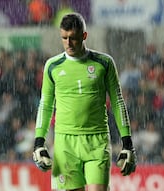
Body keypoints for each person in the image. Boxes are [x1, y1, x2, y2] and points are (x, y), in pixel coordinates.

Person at [32, 12, 137, 191]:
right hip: (65, 143)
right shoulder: (53, 66)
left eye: (73, 38)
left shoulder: (104, 63)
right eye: (64, 38)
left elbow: (118, 102)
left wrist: (127, 142)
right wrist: (38, 142)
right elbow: (46, 105)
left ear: (84, 36)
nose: (68, 43)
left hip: (97, 142)